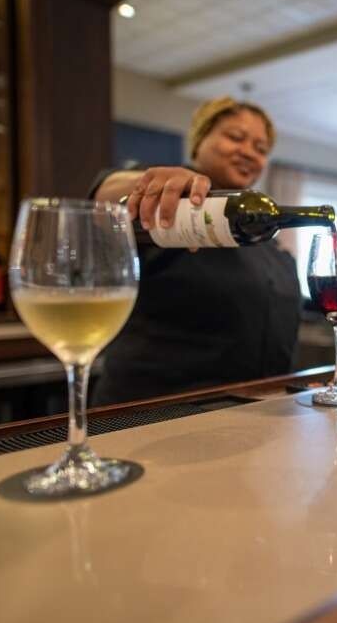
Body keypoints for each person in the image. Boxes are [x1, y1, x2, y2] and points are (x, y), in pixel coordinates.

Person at [89, 97, 301, 405]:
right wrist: (150, 183)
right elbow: (104, 197)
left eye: (261, 148)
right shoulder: (168, 208)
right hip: (155, 415)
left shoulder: (260, 232)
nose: (249, 152)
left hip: (252, 417)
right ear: (199, 140)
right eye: (235, 137)